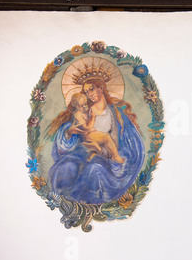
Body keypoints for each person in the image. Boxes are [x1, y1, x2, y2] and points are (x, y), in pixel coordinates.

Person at [47, 77, 145, 205]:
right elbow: (73, 131)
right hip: (82, 154)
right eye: (87, 92)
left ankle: (87, 205)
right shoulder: (85, 110)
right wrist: (69, 132)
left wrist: (101, 151)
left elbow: (128, 140)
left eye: (92, 89)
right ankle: (66, 204)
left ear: (101, 87)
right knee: (67, 167)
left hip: (106, 160)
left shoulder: (116, 113)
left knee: (95, 170)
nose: (90, 94)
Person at [68, 92, 125, 164]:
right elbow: (87, 128)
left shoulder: (86, 111)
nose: (84, 107)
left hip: (92, 133)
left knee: (106, 139)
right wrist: (93, 117)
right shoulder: (78, 114)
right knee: (106, 137)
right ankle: (115, 156)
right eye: (81, 106)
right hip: (88, 136)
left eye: (85, 104)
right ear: (75, 106)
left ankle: (104, 154)